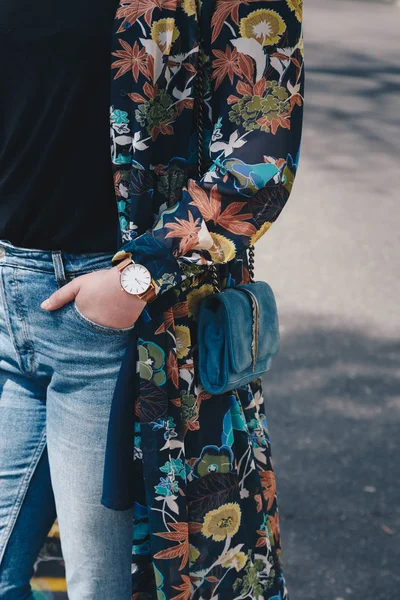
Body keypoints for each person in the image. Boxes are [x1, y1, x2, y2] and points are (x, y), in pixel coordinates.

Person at [0, 0, 304, 598]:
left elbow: (261, 142)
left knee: (105, 586)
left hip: (126, 317)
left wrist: (140, 276)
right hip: (10, 295)